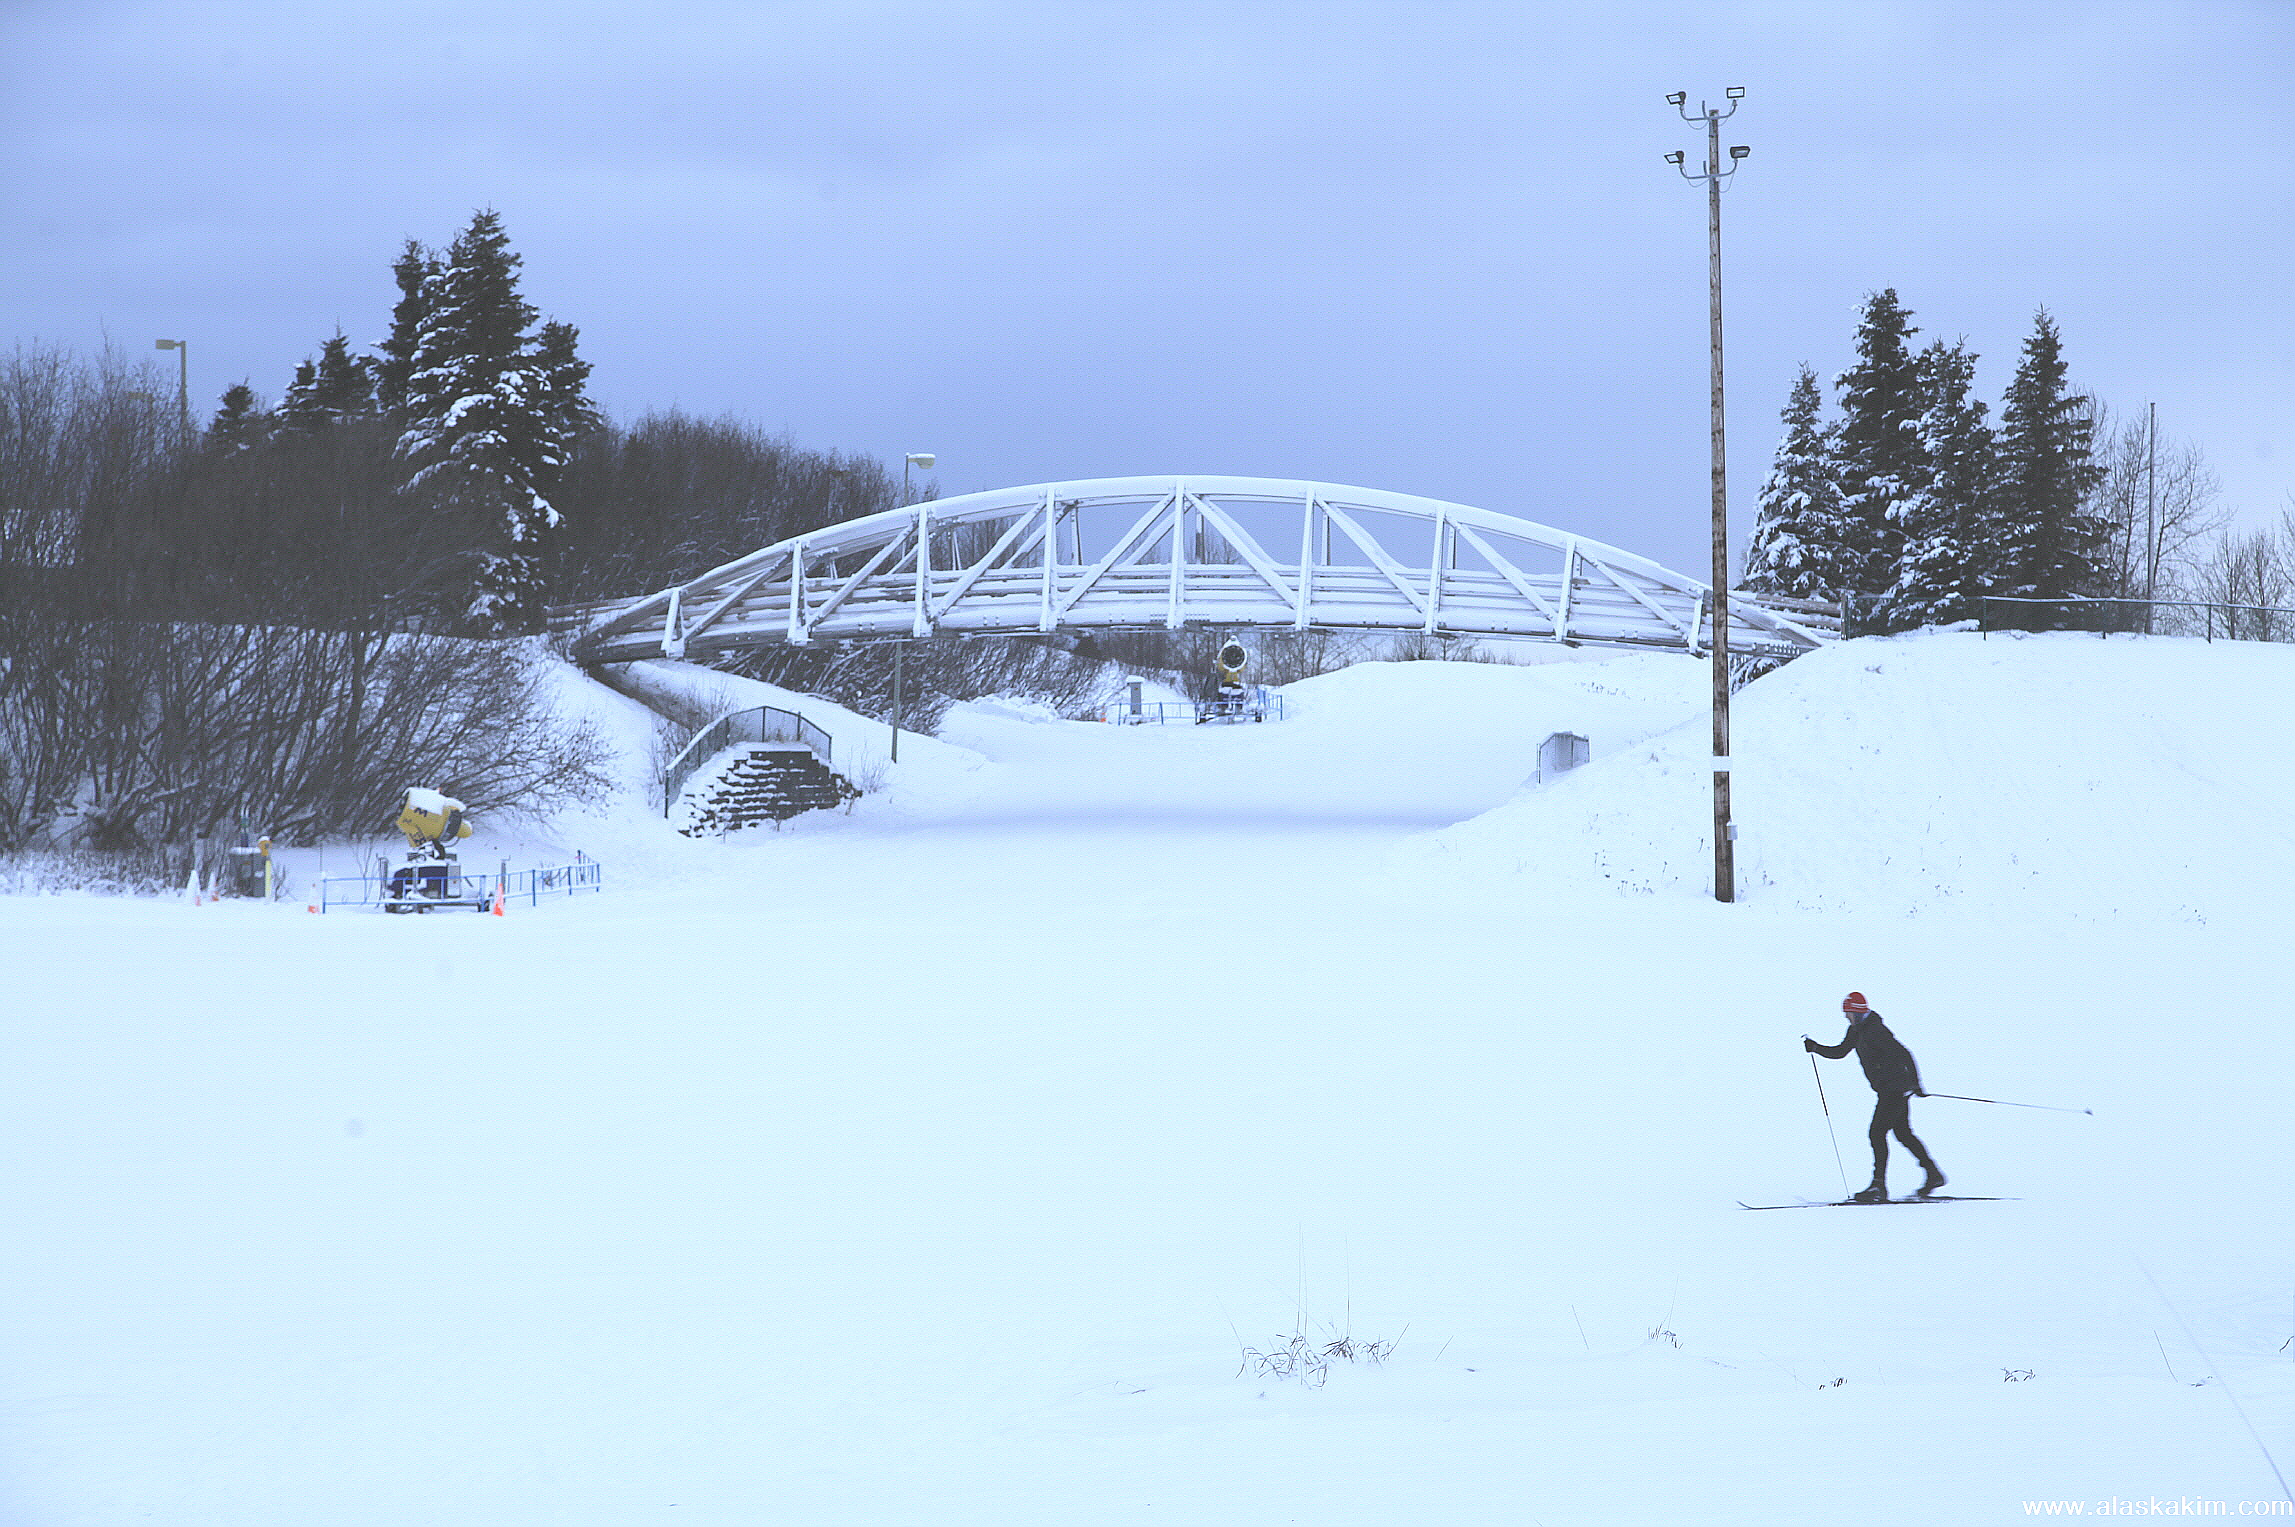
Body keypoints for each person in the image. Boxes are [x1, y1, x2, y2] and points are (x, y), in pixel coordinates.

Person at [1805, 992, 1946, 1203]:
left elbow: (1904, 1054)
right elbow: (1840, 1052)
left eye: (1847, 1013)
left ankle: (1878, 1186)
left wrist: (1916, 1084)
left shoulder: (1876, 1031)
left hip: (1895, 1089)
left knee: (1877, 1133)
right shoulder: (1856, 1031)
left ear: (1856, 1012)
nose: (1845, 1017)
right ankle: (1933, 1175)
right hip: (1890, 1089)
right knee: (1903, 1133)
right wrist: (1816, 1048)